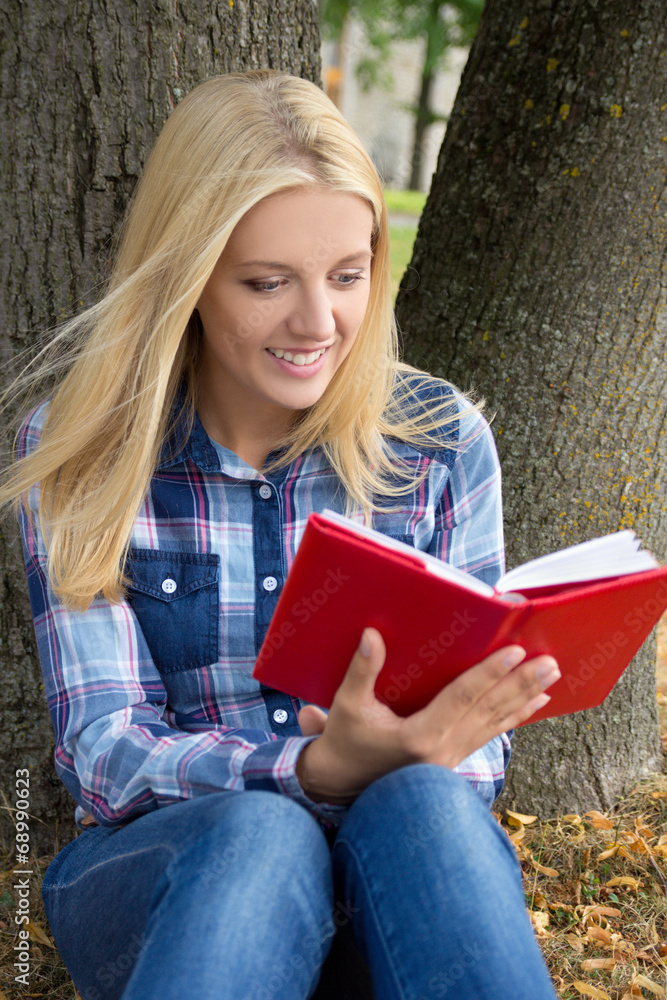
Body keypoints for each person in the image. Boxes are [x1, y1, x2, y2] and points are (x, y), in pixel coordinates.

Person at [3, 70, 560, 1000]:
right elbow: (103, 752)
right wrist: (309, 769)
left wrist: (417, 752)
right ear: (187, 276)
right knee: (261, 832)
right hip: (166, 882)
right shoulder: (86, 450)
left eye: (347, 277)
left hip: (391, 869)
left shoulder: (438, 441)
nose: (317, 323)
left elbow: (475, 754)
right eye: (267, 283)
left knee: (424, 802)